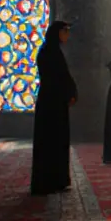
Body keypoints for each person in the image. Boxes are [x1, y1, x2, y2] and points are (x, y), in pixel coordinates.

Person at [31, 21, 76, 195]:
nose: (67, 36)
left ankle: (56, 180)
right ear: (57, 33)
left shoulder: (52, 51)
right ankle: (48, 181)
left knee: (56, 141)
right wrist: (68, 93)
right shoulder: (50, 53)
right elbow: (56, 78)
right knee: (50, 141)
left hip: (55, 102)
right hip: (52, 103)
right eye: (65, 32)